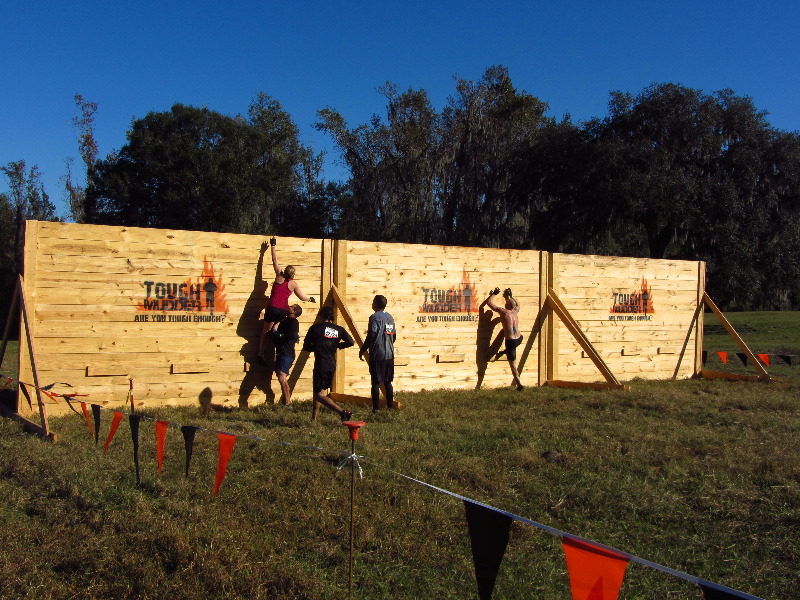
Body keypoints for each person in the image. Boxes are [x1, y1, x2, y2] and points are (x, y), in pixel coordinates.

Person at [259, 237, 315, 363]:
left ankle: (261, 353)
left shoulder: (279, 275)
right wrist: (311, 299)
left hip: (272, 308)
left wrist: (272, 246)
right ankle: (282, 333)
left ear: (285, 271)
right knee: (278, 327)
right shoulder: (293, 284)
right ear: (293, 275)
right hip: (282, 312)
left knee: (265, 332)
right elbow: (302, 297)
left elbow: (274, 260)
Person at [302, 305, 355, 421]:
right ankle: (314, 419)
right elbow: (351, 342)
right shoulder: (338, 329)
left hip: (321, 364)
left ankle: (342, 412)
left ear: (321, 315)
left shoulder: (315, 329)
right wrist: (337, 345)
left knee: (319, 394)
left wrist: (316, 347)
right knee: (319, 392)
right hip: (331, 364)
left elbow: (306, 346)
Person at [358, 294, 397, 411]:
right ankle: (390, 406)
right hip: (389, 354)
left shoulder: (374, 317)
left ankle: (376, 408)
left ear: (375, 304)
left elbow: (372, 334)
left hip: (377, 354)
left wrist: (363, 348)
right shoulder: (390, 318)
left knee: (375, 381)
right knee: (388, 382)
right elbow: (393, 335)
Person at [486, 287, 524, 391]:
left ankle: (519, 384)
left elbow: (489, 303)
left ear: (506, 305)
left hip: (510, 341)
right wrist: (511, 296)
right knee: (508, 336)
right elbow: (518, 305)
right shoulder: (516, 311)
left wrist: (494, 294)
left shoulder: (503, 312)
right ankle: (505, 351)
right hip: (519, 339)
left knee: (513, 366)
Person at [271, 304, 303, 407]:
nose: (288, 307)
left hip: (287, 353)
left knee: (281, 375)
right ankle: (286, 401)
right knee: (281, 375)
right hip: (281, 352)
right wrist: (275, 331)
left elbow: (293, 335)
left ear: (293, 312)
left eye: (291, 307)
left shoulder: (293, 322)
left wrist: (279, 335)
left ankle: (288, 403)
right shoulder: (284, 320)